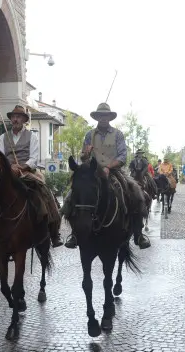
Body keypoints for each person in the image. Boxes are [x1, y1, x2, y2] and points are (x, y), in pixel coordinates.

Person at [62, 102, 151, 249]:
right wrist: (85, 153)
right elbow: (83, 157)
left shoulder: (117, 134)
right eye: (101, 116)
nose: (103, 118)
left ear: (109, 118)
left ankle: (138, 234)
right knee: (72, 195)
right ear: (97, 117)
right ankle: (75, 233)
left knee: (136, 192)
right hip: (92, 172)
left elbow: (123, 155)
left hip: (114, 170)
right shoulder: (89, 135)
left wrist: (109, 167)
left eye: (106, 116)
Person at [0, 104, 62, 250]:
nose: (15, 119)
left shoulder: (32, 136)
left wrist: (22, 167)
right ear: (11, 120)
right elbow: (0, 156)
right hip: (8, 171)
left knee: (44, 190)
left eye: (18, 117)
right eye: (13, 117)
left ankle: (53, 230)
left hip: (27, 170)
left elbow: (34, 158)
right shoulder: (4, 137)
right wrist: (10, 168)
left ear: (24, 120)